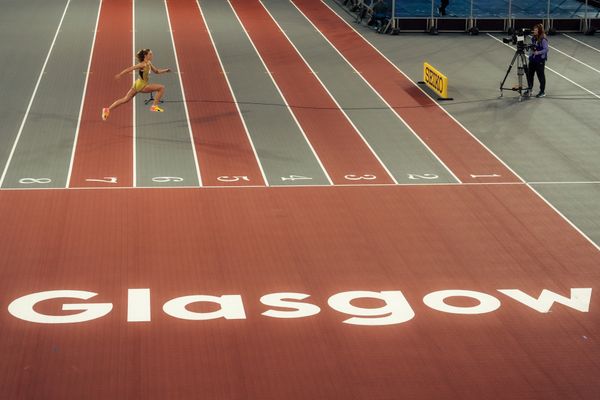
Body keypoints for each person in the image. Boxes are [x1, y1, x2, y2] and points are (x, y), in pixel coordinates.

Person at [102, 48, 171, 121]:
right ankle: (154, 106)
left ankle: (107, 109)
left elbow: (156, 71)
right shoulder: (142, 64)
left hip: (137, 84)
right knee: (161, 88)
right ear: (145, 55)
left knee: (125, 99)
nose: (152, 55)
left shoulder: (149, 63)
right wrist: (120, 74)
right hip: (142, 85)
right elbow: (130, 69)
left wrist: (165, 70)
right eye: (150, 54)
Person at [526, 23, 548, 98]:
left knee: (540, 76)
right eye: (534, 30)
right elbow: (533, 46)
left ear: (539, 31)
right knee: (530, 75)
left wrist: (538, 52)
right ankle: (530, 88)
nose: (534, 31)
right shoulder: (533, 38)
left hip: (540, 60)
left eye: (535, 30)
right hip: (533, 59)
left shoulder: (543, 39)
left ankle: (542, 91)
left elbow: (546, 49)